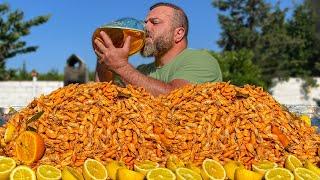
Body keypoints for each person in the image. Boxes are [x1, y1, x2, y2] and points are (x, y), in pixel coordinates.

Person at [94, 2, 222, 96]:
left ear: (178, 33)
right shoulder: (141, 71)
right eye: (145, 22)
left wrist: (121, 67)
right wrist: (104, 60)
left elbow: (176, 97)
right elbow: (105, 100)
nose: (145, 27)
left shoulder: (200, 60)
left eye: (154, 22)